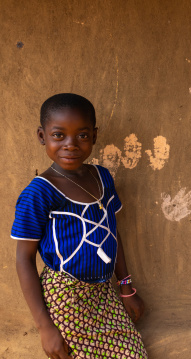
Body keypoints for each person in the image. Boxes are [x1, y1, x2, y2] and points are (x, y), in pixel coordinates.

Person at [12, 93, 148, 359]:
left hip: (104, 295)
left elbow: (111, 232)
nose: (71, 145)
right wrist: (44, 327)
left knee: (134, 354)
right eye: (58, 135)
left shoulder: (102, 177)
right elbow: (23, 259)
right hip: (64, 299)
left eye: (82, 136)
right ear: (42, 136)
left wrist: (126, 286)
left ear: (94, 136)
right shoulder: (39, 192)